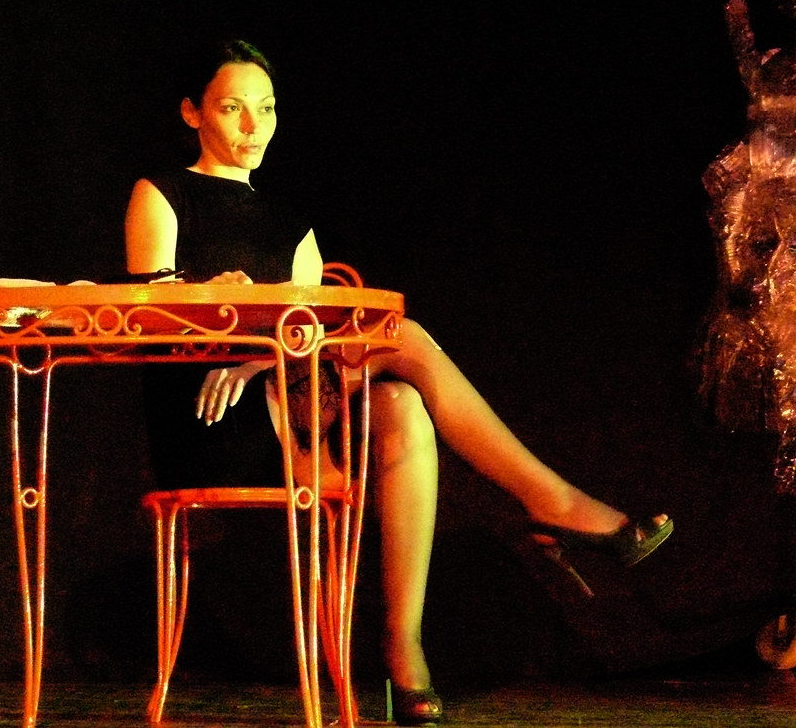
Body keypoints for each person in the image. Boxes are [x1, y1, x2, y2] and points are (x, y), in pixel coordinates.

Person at [125, 39, 673, 725]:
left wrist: (257, 359)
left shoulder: (291, 223)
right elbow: (146, 319)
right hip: (208, 417)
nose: (252, 126)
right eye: (232, 108)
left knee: (402, 403)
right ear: (192, 112)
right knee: (402, 336)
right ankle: (550, 501)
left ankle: (403, 649)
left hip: (284, 403)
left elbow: (311, 334)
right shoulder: (163, 193)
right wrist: (211, 298)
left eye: (265, 109)